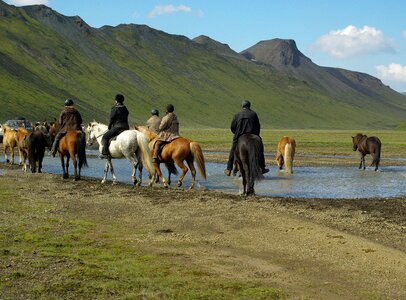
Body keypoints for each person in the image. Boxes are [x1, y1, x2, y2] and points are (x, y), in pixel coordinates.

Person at [224, 100, 269, 176]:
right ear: (249, 106)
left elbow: (232, 127)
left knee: (233, 149)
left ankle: (229, 168)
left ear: (242, 106)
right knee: (260, 147)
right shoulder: (253, 114)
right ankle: (262, 167)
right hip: (253, 134)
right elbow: (258, 126)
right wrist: (256, 135)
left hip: (240, 134)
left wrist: (236, 133)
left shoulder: (237, 114)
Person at [99, 94, 129, 159]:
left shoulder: (115, 109)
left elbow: (111, 119)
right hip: (126, 127)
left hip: (118, 127)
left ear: (116, 101)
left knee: (105, 137)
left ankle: (105, 153)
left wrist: (109, 127)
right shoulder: (125, 108)